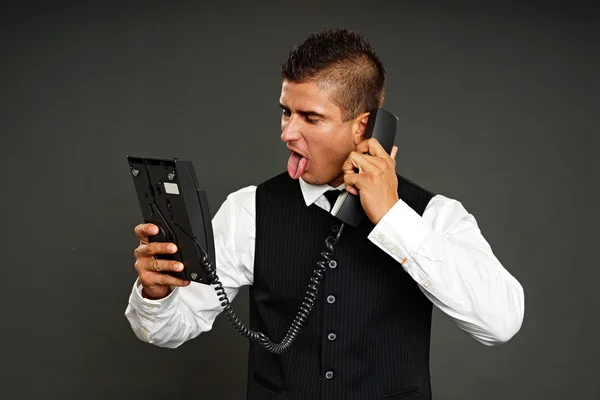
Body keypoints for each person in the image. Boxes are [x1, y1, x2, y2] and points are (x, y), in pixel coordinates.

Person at [125, 27, 524, 400]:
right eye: (286, 112)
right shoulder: (249, 210)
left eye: (311, 118)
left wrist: (392, 217)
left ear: (364, 128)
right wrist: (156, 295)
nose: (287, 133)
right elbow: (166, 331)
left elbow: (500, 323)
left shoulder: (434, 216)